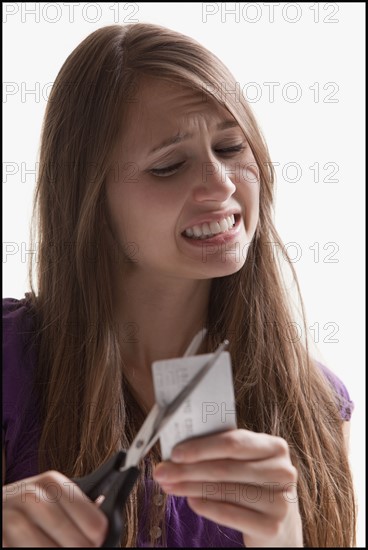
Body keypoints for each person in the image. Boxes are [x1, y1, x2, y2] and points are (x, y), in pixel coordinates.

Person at [2, 23, 356, 548]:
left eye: (231, 146)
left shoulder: (316, 401)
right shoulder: (10, 361)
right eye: (168, 166)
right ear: (90, 202)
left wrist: (283, 540)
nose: (221, 184)